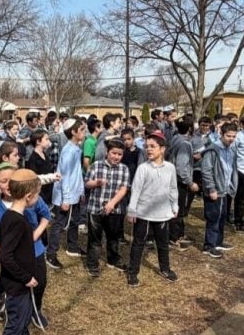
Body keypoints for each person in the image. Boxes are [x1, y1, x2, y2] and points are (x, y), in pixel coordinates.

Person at [0, 169, 51, 335]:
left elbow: (8, 244)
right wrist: (25, 277)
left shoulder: (16, 216)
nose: (38, 197)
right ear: (28, 196)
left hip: (24, 284)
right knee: (14, 325)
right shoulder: (16, 221)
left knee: (25, 319)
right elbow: (5, 256)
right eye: (37, 193)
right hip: (16, 285)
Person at [126, 133, 179, 287]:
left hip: (162, 213)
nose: (148, 149)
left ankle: (165, 269)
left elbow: (173, 188)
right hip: (143, 213)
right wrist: (132, 210)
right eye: (146, 146)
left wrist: (174, 205)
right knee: (138, 243)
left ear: (162, 149)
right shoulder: (143, 168)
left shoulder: (170, 168)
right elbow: (136, 190)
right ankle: (133, 272)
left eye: (152, 146)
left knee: (162, 243)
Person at [84, 138, 130, 277]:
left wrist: (112, 203)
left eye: (119, 154)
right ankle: (92, 263)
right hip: (95, 207)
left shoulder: (124, 169)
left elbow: (123, 189)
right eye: (113, 153)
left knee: (113, 236)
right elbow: (87, 183)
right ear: (107, 152)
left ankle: (113, 259)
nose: (116, 156)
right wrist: (96, 183)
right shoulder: (96, 165)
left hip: (115, 209)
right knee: (95, 238)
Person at [47, 118, 87, 269]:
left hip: (73, 194)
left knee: (75, 221)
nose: (84, 132)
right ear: (73, 132)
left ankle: (72, 246)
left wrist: (81, 191)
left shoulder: (76, 148)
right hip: (65, 196)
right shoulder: (69, 151)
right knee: (59, 224)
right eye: (82, 130)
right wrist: (67, 199)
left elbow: (77, 174)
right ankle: (51, 253)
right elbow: (66, 176)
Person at [200, 122, 238, 257]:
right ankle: (209, 245)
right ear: (221, 134)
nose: (231, 139)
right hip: (215, 190)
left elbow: (232, 169)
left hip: (225, 189)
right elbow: (206, 171)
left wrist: (232, 184)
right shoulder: (212, 150)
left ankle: (218, 241)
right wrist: (211, 188)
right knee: (213, 218)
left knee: (222, 217)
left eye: (234, 136)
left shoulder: (231, 150)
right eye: (228, 136)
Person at [168, 119, 197, 249]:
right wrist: (190, 182)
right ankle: (174, 238)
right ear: (190, 129)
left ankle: (180, 234)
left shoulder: (175, 138)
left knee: (178, 209)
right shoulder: (184, 144)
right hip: (179, 181)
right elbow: (181, 167)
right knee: (178, 210)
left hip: (174, 179)